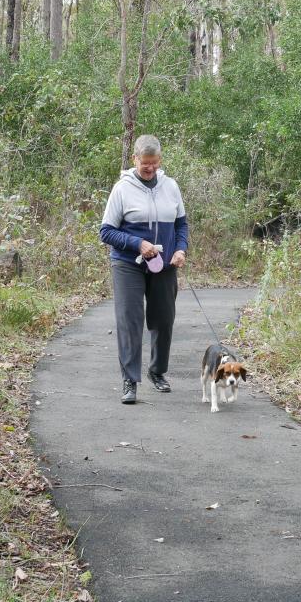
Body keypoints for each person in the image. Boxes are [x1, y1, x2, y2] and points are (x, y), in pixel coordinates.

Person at [99, 135, 189, 404]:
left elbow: (181, 225)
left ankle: (158, 372)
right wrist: (138, 243)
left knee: (163, 318)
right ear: (134, 159)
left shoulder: (171, 186)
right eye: (144, 163)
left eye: (154, 163)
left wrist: (180, 249)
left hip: (164, 263)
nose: (149, 168)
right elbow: (106, 232)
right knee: (131, 319)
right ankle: (130, 380)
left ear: (160, 160)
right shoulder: (122, 189)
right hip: (128, 263)